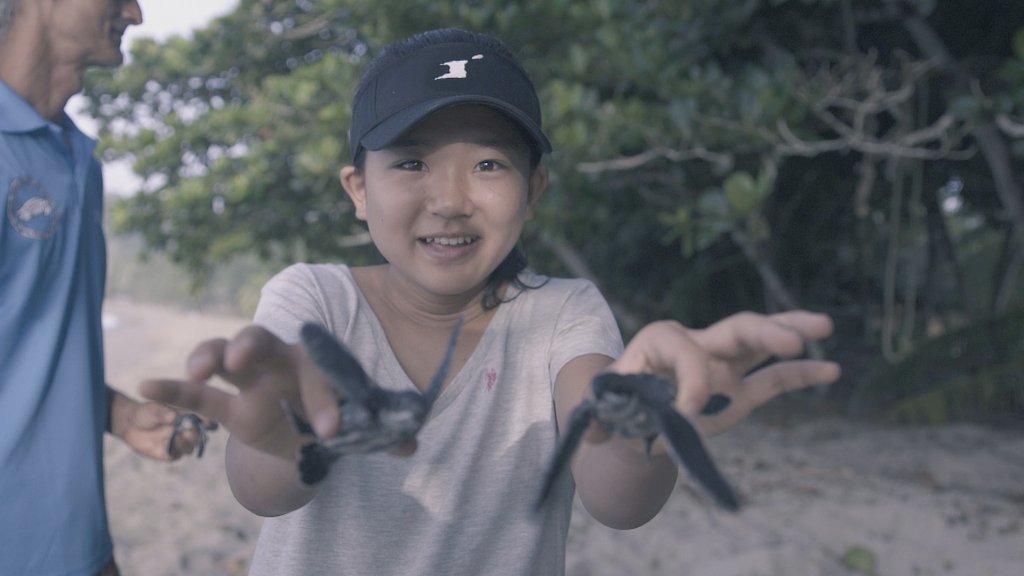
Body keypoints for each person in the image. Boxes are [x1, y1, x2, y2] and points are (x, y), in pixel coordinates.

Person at [140, 28, 841, 576]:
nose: (449, 200)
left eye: (489, 164)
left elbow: (616, 498)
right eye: (411, 162)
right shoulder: (313, 300)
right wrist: (277, 442)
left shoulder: (562, 315)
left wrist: (639, 429)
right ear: (357, 188)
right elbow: (265, 492)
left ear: (533, 191)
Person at [0, 1, 210, 575]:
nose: (136, 13)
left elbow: (26, 335)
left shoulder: (76, 159)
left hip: (79, 540)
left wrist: (112, 412)